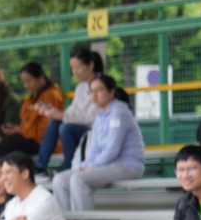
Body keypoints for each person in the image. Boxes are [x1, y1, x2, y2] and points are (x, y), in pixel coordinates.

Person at [53, 75, 146, 211]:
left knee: (78, 179)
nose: (94, 95)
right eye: (91, 91)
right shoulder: (100, 115)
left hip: (128, 165)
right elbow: (95, 148)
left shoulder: (119, 112)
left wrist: (93, 166)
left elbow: (112, 150)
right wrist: (85, 165)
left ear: (111, 92)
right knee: (59, 180)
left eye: (99, 90)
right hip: (107, 164)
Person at [36, 46, 103, 172]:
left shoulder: (101, 86)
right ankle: (40, 166)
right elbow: (75, 110)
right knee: (54, 123)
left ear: (90, 65)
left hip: (94, 130)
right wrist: (57, 112)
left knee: (65, 128)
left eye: (78, 67)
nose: (74, 72)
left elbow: (90, 118)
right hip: (80, 126)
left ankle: (68, 167)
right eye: (72, 68)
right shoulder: (81, 87)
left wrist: (63, 116)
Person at [0, 63, 66, 158]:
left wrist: (21, 130)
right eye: (23, 82)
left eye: (29, 81)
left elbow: (45, 131)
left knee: (9, 144)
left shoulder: (51, 96)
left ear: (41, 77)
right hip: (30, 139)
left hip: (45, 144)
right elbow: (26, 124)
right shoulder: (31, 99)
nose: (26, 85)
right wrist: (16, 128)